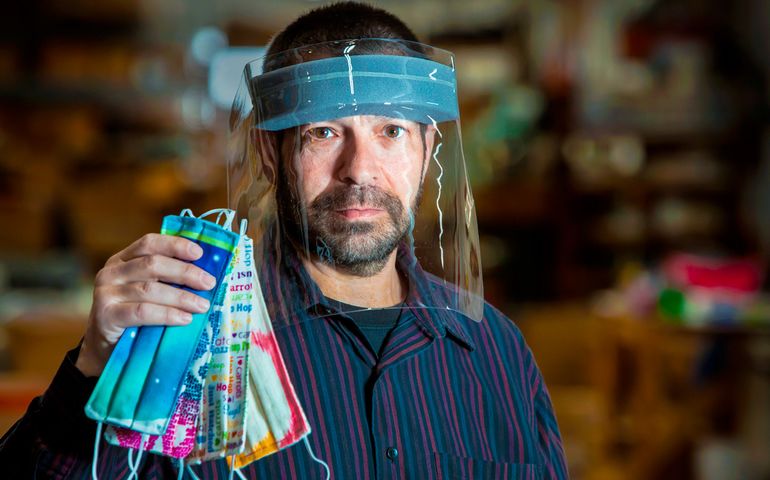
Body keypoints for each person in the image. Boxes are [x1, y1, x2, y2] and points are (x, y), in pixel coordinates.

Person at [0, 2, 568, 478]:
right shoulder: (187, 336)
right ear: (271, 154)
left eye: (390, 132)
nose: (360, 169)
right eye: (324, 133)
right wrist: (94, 368)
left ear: (426, 149)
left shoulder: (497, 351)